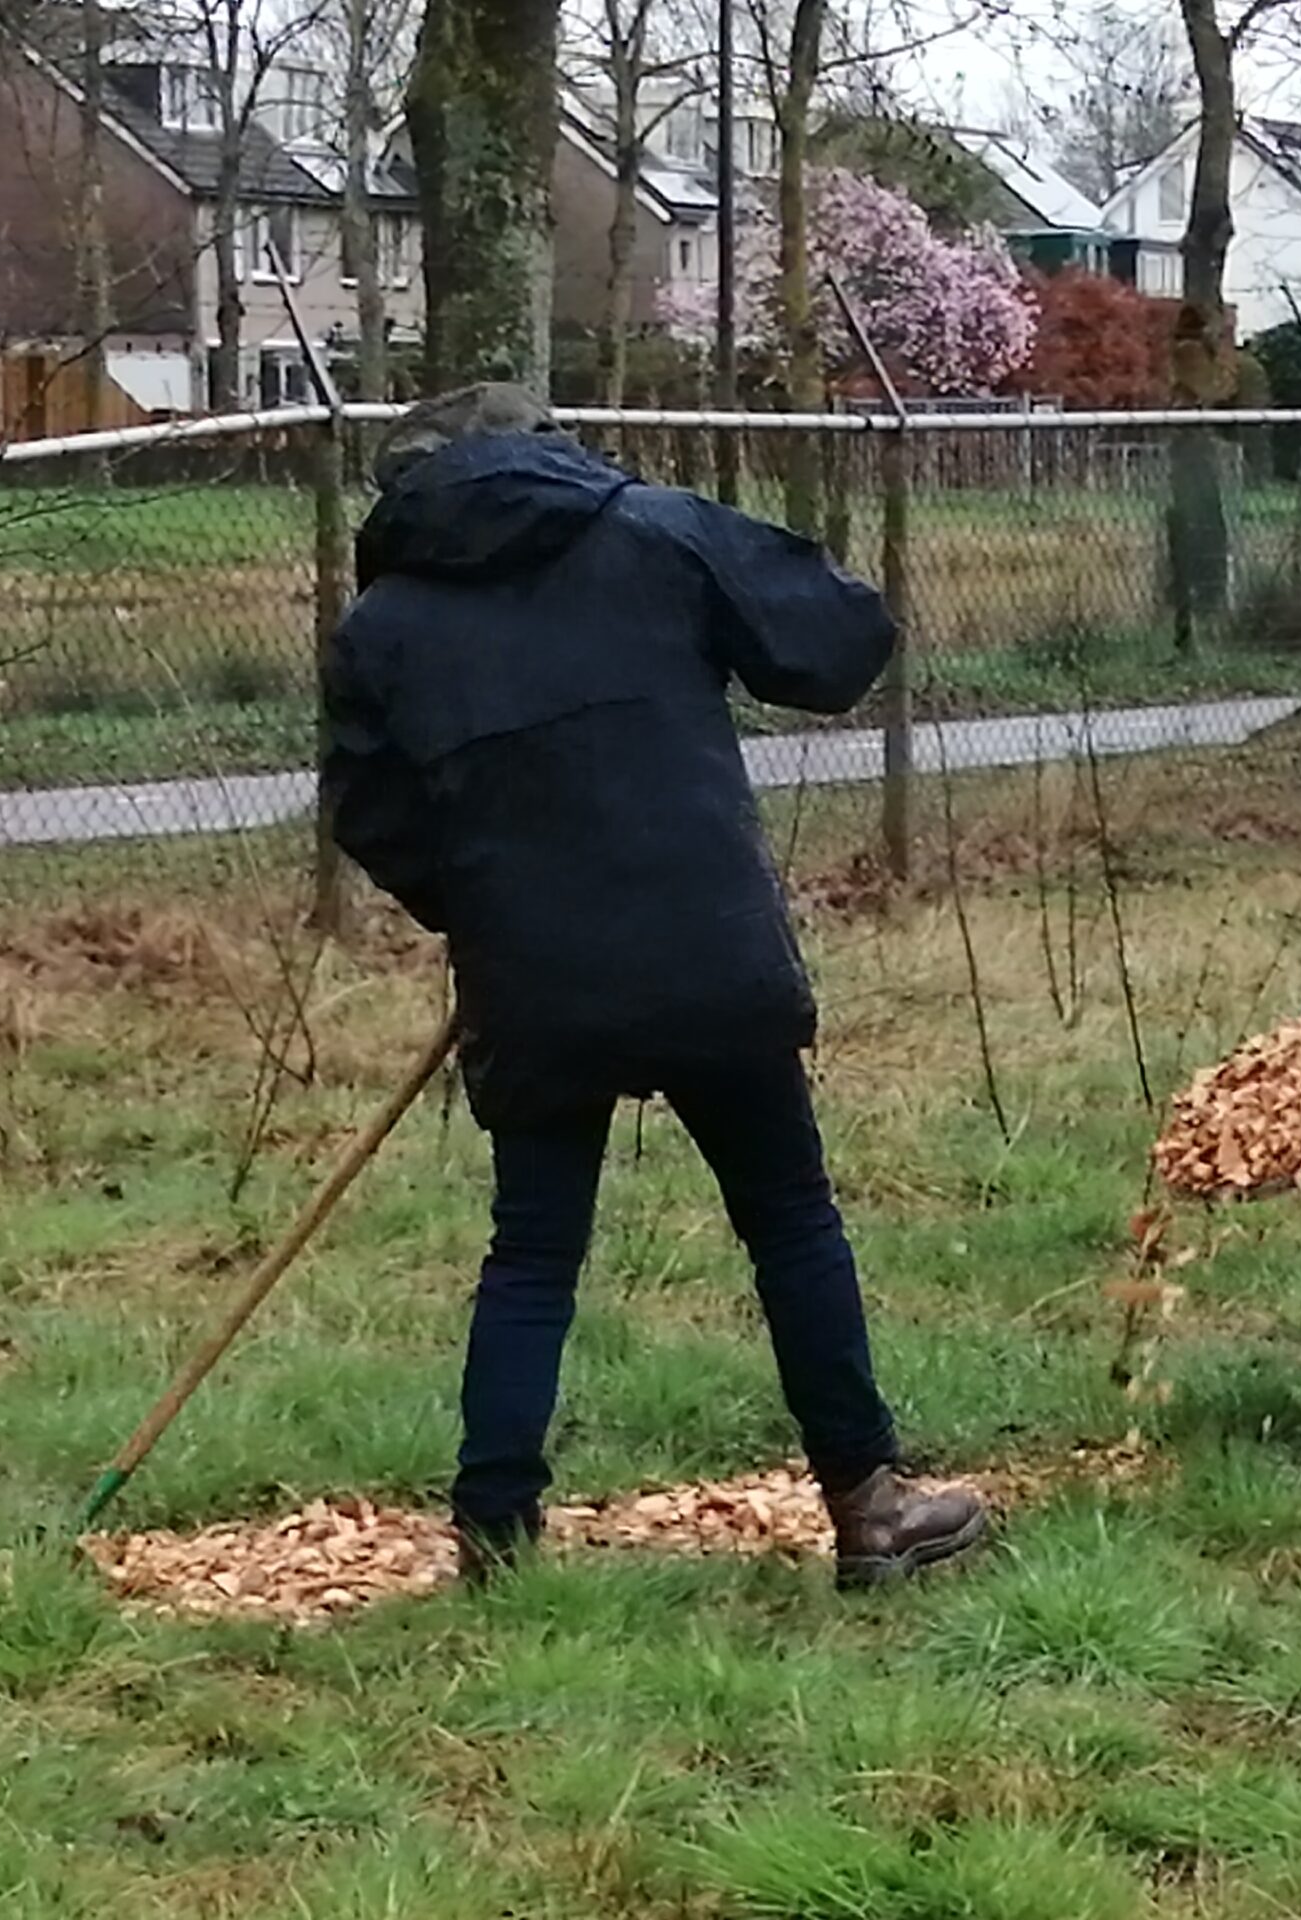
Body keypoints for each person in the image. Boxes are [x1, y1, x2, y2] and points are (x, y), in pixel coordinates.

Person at [323, 383, 988, 1585]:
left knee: (530, 1255)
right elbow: (837, 640)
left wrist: (481, 904)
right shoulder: (652, 529)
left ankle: (497, 1544)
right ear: (544, 448)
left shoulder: (383, 627)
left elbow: (371, 818)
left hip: (534, 981)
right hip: (707, 954)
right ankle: (871, 1503)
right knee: (789, 1220)